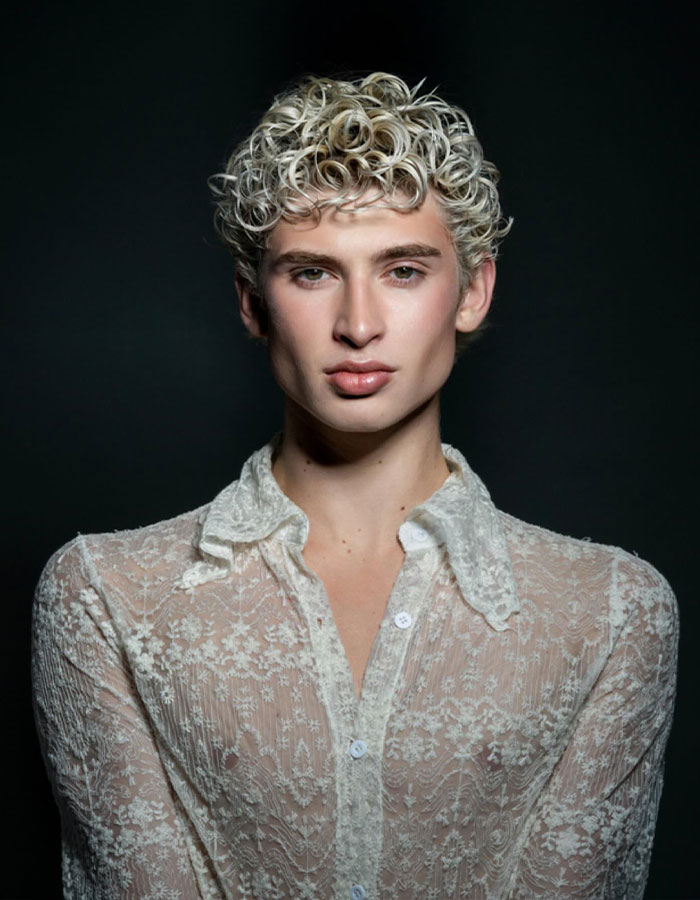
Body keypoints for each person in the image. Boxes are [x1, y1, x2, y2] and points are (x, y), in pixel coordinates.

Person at [32, 72, 678, 899]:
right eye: (312, 274)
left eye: (403, 270)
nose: (359, 324)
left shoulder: (614, 613)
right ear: (252, 303)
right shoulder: (105, 597)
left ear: (473, 291)